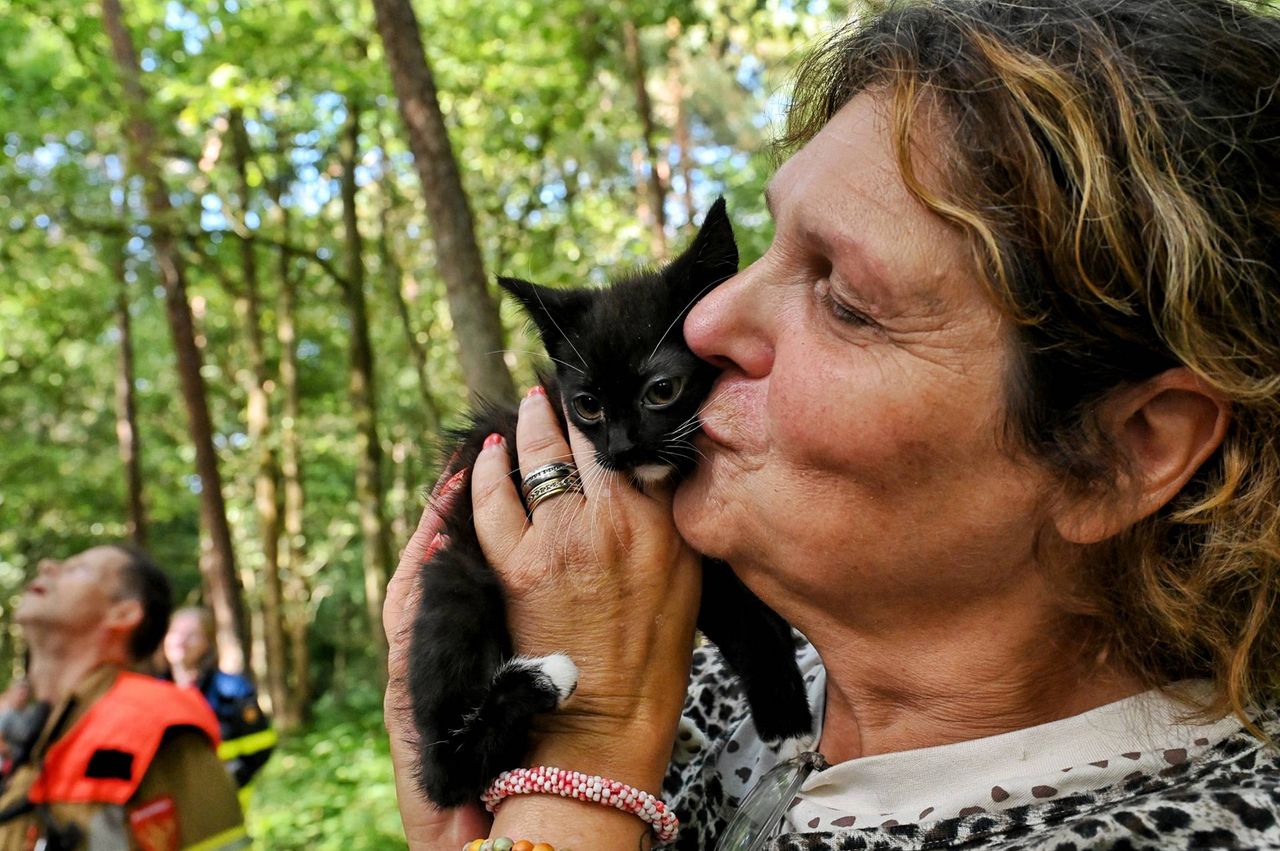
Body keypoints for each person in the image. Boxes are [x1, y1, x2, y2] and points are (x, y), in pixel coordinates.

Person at [383, 0, 1280, 848]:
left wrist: (581, 768)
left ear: (1123, 453)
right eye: (770, 247)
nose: (705, 323)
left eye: (845, 299)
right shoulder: (687, 675)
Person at [0, 545, 247, 850]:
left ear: (125, 613)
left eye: (77, 569)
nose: (48, 565)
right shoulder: (35, 733)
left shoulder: (153, 724)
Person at [162, 607, 276, 804]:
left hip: (226, 805)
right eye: (176, 633)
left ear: (208, 642)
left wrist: (230, 779)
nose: (181, 641)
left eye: (192, 635)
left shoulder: (232, 690)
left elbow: (262, 745)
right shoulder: (151, 691)